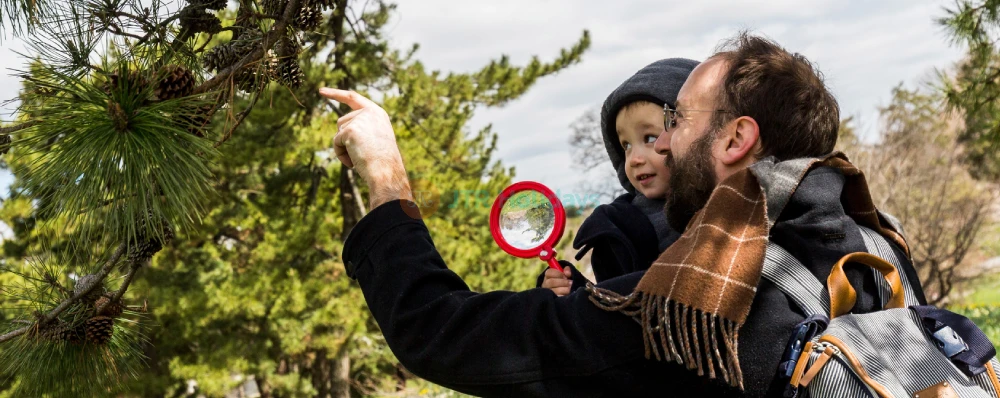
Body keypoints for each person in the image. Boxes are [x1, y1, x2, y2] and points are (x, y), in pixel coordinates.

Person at [323, 32, 927, 397]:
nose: (662, 144)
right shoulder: (877, 243)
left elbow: (442, 333)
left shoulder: (694, 308)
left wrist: (385, 177)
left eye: (677, 120)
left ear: (736, 139)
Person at [539, 58, 696, 296]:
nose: (634, 159)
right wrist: (575, 290)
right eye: (626, 145)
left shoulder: (736, 203)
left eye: (650, 138)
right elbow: (612, 310)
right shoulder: (618, 227)